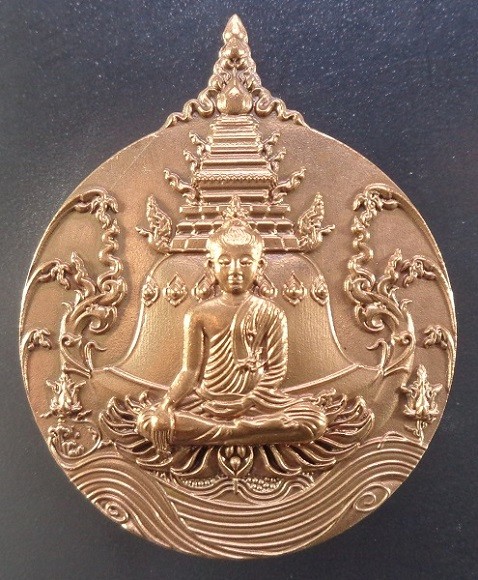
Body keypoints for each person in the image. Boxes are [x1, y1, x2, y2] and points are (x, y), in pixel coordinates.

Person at [136, 210, 328, 454]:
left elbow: (276, 370)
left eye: (245, 262)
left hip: (258, 403)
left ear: (260, 266)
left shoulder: (270, 312)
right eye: (225, 262)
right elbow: (190, 371)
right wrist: (166, 404)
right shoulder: (199, 314)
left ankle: (225, 431)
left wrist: (247, 401)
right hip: (208, 401)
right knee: (149, 421)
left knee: (315, 421)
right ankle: (242, 432)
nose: (235, 270)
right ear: (211, 267)